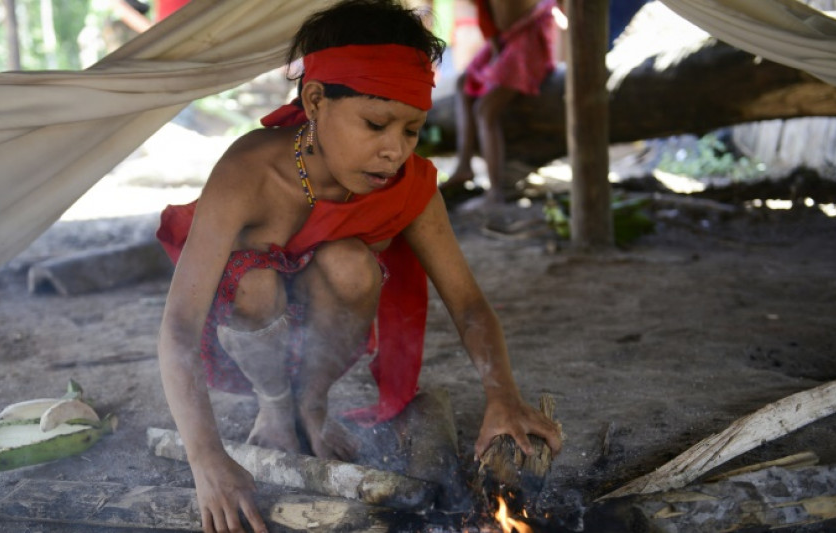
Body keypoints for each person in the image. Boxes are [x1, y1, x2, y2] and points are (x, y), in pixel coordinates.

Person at [155, 1, 563, 531]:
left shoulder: (410, 185)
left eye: (412, 129)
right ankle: (276, 405)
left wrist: (502, 396)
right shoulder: (248, 172)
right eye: (376, 124)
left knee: (352, 265)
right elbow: (179, 327)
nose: (394, 150)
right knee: (252, 285)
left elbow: (468, 304)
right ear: (316, 99)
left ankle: (313, 405)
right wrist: (206, 460)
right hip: (256, 322)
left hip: (326, 324)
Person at [441, 0, 560, 208]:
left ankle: (496, 192)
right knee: (463, 83)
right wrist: (496, 51)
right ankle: (464, 166)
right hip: (504, 38)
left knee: (486, 109)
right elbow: (489, 18)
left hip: (528, 34)